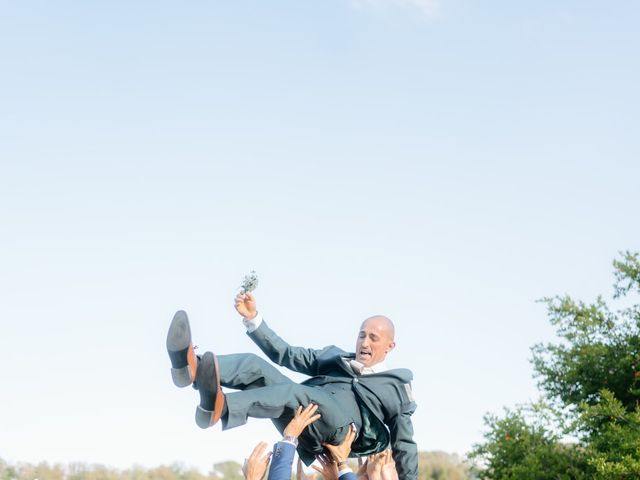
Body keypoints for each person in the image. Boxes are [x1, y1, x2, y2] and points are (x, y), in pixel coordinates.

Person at [166, 292, 417, 479]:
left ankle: (221, 409)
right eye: (362, 335)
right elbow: (287, 354)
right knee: (256, 368)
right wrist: (254, 319)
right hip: (307, 414)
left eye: (374, 338)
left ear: (389, 346)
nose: (365, 342)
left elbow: (405, 445)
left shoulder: (395, 386)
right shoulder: (336, 358)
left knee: (298, 393)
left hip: (340, 430)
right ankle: (191, 368)